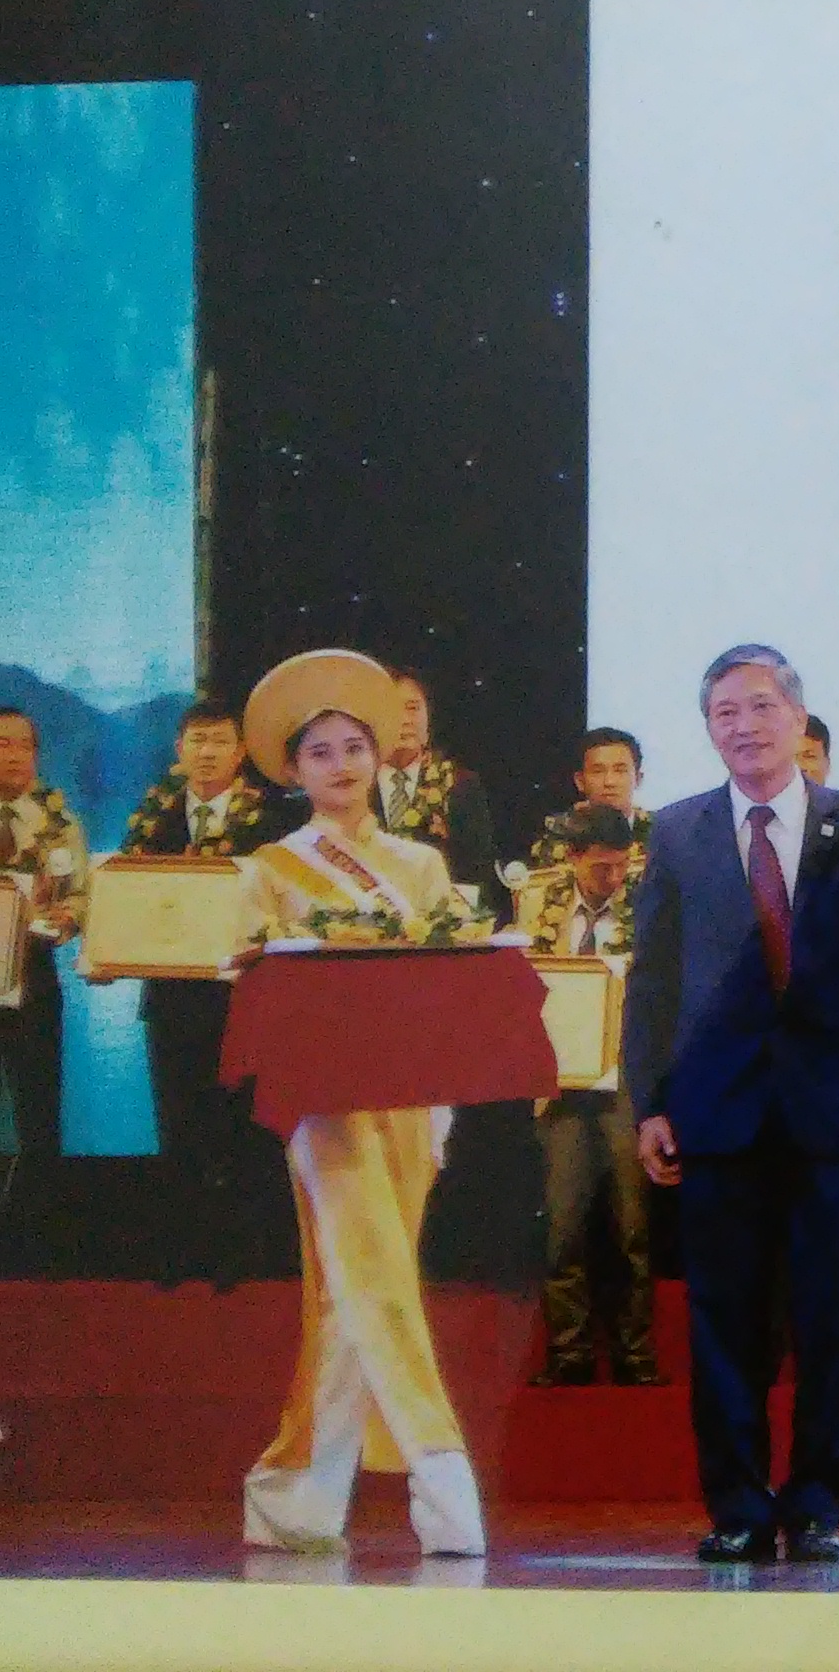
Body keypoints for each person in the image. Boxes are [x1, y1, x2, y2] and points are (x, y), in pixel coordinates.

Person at [623, 643, 839, 1566]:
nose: (744, 726)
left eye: (760, 707)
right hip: (715, 1116)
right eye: (725, 712)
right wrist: (649, 1105)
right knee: (724, 1325)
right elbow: (652, 981)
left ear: (797, 717)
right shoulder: (676, 830)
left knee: (833, 1321)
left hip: (833, 1114)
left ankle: (819, 1505)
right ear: (708, 729)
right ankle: (739, 1509)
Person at [231, 650, 488, 1554]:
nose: (340, 765)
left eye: (354, 748)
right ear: (293, 771)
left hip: (413, 1098)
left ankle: (295, 1496)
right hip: (322, 1102)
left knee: (357, 1292)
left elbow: (452, 993)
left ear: (379, 757)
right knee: (374, 1274)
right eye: (320, 753)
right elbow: (250, 982)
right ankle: (445, 1487)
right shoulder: (269, 870)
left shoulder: (422, 865)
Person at [121, 700, 287, 1288]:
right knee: (177, 1122)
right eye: (197, 740)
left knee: (238, 1125)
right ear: (179, 750)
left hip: (241, 998)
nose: (207, 752)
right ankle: (178, 1249)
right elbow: (129, 898)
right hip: (170, 997)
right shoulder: (154, 815)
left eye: (219, 741)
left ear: (241, 753)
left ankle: (236, 1255)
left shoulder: (269, 822)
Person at [518, 732, 662, 1388]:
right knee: (563, 1223)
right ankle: (569, 1352)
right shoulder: (539, 907)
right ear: (573, 858)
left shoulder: (651, 907)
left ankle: (636, 1354)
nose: (612, 878)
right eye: (601, 867)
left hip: (627, 1079)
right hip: (561, 1079)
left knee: (632, 1225)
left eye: (621, 865)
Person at [0, 708, 86, 1189]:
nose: (15, 756)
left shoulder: (58, 820)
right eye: (2, 744)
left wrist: (69, 916)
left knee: (38, 1103)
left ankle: (41, 1207)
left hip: (33, 975)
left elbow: (79, 893)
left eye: (25, 746)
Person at [373, 670, 501, 898]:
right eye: (391, 710)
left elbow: (478, 871)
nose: (405, 720)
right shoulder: (354, 787)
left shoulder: (460, 785)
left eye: (413, 708)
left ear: (428, 717)